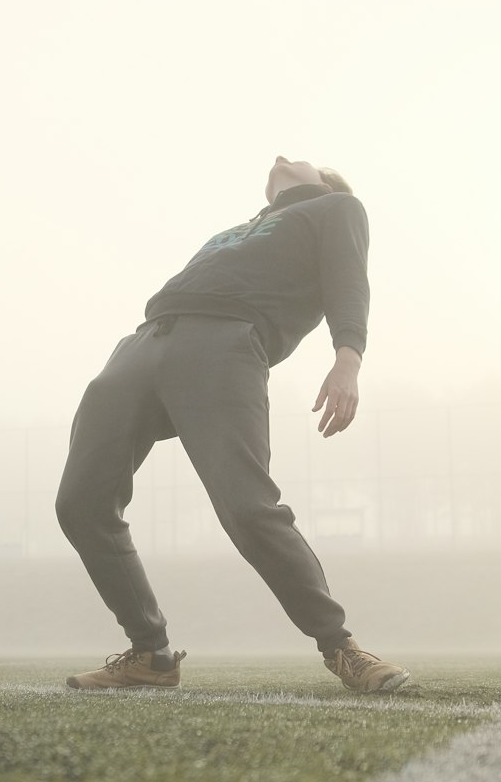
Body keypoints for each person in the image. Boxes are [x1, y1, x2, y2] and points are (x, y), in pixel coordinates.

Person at [55, 154, 409, 695]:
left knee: (247, 506)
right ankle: (150, 654)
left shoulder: (337, 207)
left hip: (224, 345)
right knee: (79, 502)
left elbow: (347, 281)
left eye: (303, 157)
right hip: (145, 341)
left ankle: (341, 647)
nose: (283, 157)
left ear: (326, 182)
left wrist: (348, 358)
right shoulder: (241, 228)